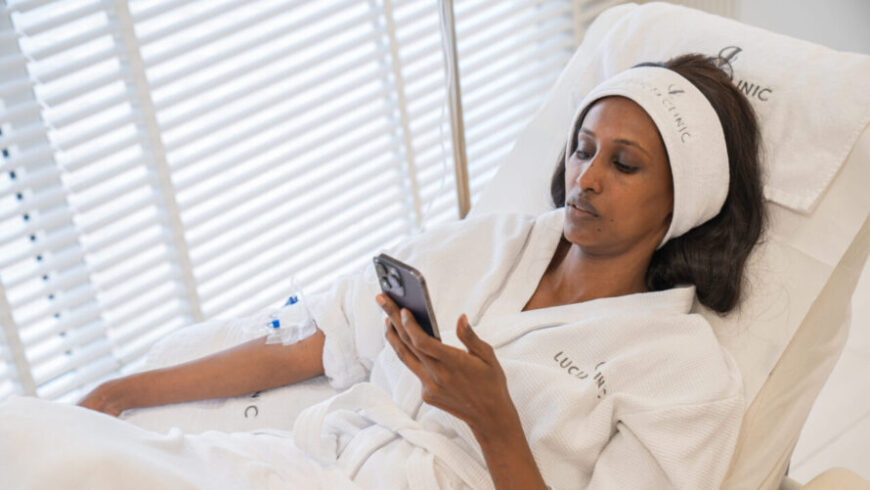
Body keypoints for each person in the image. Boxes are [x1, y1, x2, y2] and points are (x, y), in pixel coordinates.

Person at [0, 53, 764, 490]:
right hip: (318, 466)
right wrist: (120, 392)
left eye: (624, 164)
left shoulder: (683, 372)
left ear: (685, 200)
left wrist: (495, 423)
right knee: (35, 440)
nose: (586, 177)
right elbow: (313, 344)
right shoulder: (485, 245)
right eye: (583, 147)